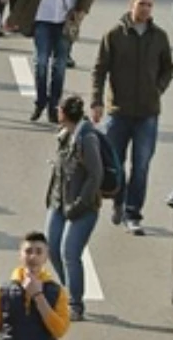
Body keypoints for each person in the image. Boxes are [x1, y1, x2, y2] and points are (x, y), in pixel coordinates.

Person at [90, 0, 173, 235]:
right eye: (141, 4)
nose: (145, 8)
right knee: (115, 163)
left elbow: (168, 67)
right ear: (131, 5)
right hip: (119, 111)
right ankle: (118, 201)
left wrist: (158, 88)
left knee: (141, 166)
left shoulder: (159, 36)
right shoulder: (115, 35)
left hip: (148, 113)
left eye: (149, 5)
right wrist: (97, 101)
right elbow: (99, 69)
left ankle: (132, 212)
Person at [5, 0, 99, 123]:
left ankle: (54, 105)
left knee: (60, 65)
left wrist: (82, 8)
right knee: (41, 63)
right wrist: (13, 18)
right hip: (42, 21)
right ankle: (40, 101)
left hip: (65, 22)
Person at [45, 95, 103, 321]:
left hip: (83, 206)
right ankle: (69, 289)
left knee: (70, 252)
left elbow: (95, 175)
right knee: (52, 247)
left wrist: (79, 205)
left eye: (59, 109)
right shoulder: (65, 134)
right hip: (59, 202)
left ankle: (75, 304)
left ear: (65, 113)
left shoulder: (86, 138)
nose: (56, 112)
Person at [0, 232, 71, 340]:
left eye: (39, 252)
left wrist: (38, 296)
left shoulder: (57, 292)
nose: (33, 256)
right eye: (28, 251)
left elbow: (59, 331)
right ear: (20, 255)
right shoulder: (3, 290)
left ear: (46, 257)